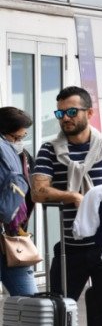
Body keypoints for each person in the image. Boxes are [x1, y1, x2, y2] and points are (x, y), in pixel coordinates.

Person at [31, 87, 102, 326]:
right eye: (60, 113)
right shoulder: (50, 150)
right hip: (70, 246)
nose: (65, 118)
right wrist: (72, 197)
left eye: (72, 112)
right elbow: (38, 190)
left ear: (90, 113)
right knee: (59, 311)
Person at [0, 107, 37, 296]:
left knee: (31, 302)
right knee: (31, 302)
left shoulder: (24, 157)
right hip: (11, 234)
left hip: (15, 238)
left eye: (22, 137)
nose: (19, 142)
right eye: (15, 138)